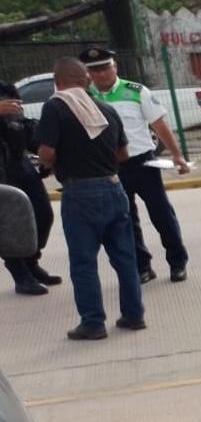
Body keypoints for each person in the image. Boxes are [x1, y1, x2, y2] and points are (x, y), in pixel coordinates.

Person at [37, 58, 145, 341]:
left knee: (84, 263)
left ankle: (93, 323)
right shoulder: (107, 109)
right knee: (125, 258)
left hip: (80, 192)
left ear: (57, 82)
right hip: (113, 187)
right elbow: (123, 155)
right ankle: (134, 316)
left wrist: (65, 159)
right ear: (85, 80)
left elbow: (46, 154)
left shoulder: (55, 106)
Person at [81, 47, 191, 283]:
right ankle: (143, 267)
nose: (100, 74)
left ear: (115, 67)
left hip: (143, 162)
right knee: (126, 220)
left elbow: (159, 125)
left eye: (104, 67)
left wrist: (177, 156)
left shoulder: (136, 91)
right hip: (110, 168)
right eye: (94, 70)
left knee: (161, 214)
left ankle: (177, 262)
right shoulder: (86, 96)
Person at [0, 81, 60, 295]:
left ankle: (31, 261)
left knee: (43, 214)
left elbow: (19, 125)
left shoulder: (5, 88)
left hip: (18, 161)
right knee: (8, 223)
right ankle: (21, 274)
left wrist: (44, 150)